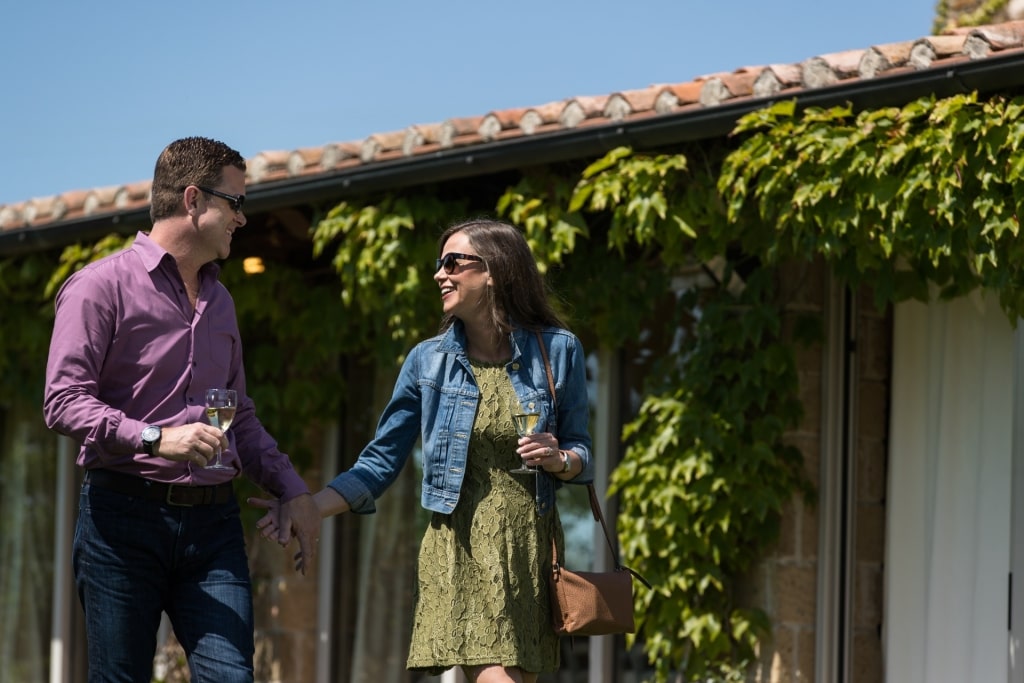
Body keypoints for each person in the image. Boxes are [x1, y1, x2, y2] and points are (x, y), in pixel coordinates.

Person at [252, 218, 594, 682]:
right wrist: (310, 506)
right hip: (459, 545)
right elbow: (380, 461)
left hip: (527, 546)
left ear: (494, 270)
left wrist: (561, 460)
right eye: (439, 263)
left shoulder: (558, 351)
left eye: (453, 262)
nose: (439, 274)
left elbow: (581, 453)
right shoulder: (427, 361)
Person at [43, 136, 320, 683]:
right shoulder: (99, 288)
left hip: (213, 524)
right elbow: (62, 400)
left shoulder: (222, 301)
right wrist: (154, 438)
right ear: (193, 200)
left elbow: (238, 415)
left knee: (233, 677)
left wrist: (295, 490)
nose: (243, 218)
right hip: (122, 520)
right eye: (235, 202)